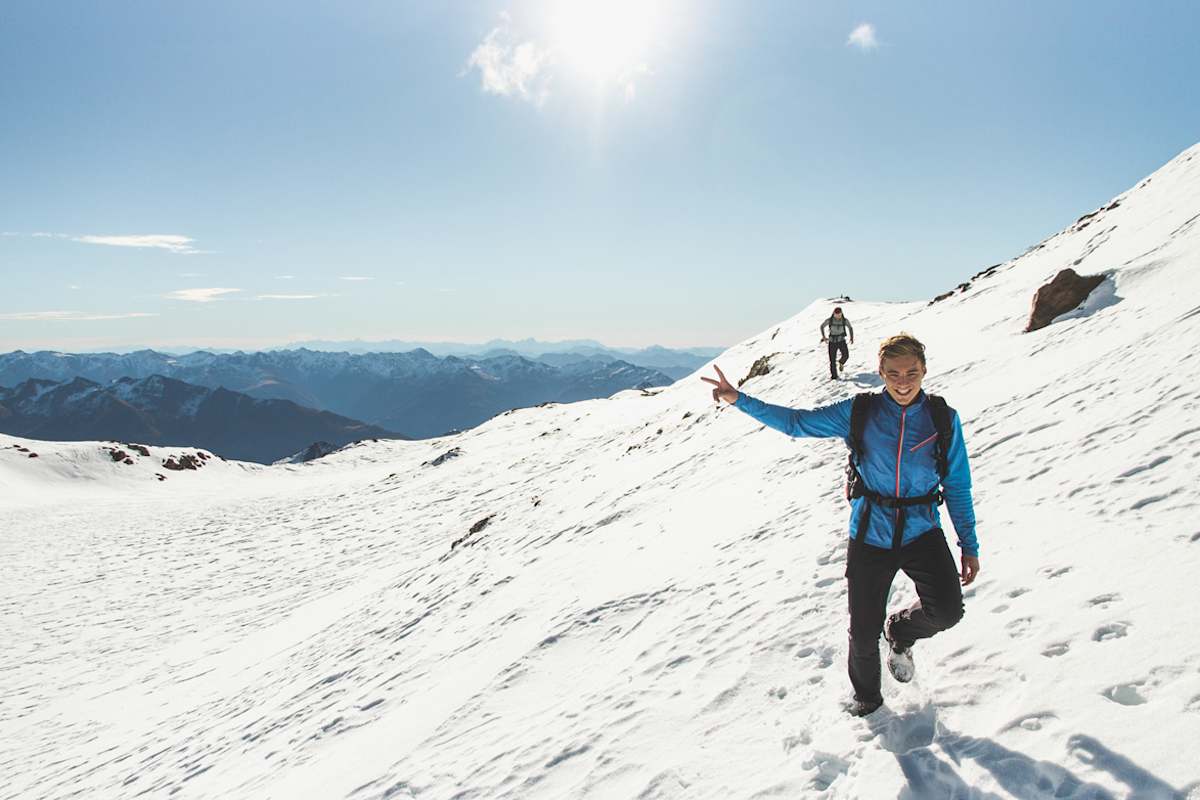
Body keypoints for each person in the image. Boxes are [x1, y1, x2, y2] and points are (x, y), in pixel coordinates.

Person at [701, 333, 980, 717]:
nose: (903, 381)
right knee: (863, 632)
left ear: (924, 371)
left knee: (947, 611)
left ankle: (899, 632)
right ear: (880, 372)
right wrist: (738, 399)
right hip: (870, 533)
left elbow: (958, 484)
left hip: (922, 531)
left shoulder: (941, 420)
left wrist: (969, 544)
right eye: (893, 373)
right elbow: (797, 423)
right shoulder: (860, 412)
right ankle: (868, 701)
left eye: (911, 372)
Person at [820, 307, 854, 379]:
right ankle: (834, 376)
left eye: (839, 314)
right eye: (836, 314)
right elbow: (822, 326)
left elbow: (850, 328)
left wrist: (851, 337)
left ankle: (841, 362)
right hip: (832, 341)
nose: (838, 316)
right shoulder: (830, 320)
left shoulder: (844, 320)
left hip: (841, 340)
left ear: (841, 313)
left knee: (846, 355)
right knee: (832, 360)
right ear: (834, 314)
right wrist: (824, 337)